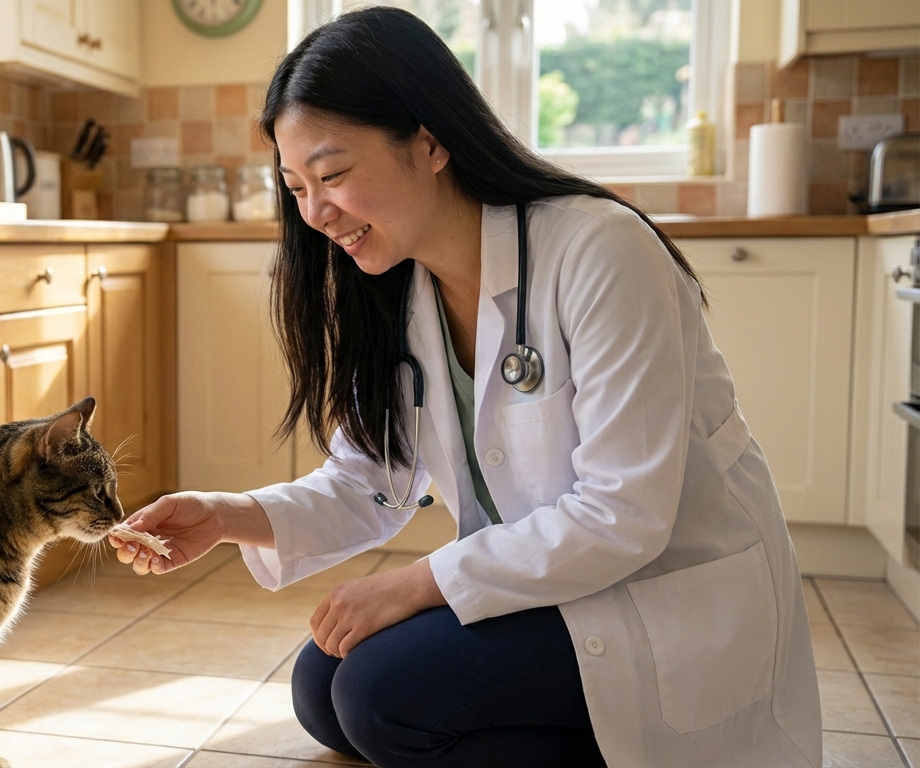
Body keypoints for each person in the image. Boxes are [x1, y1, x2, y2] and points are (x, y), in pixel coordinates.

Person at [109, 7, 822, 767]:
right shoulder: (397, 285)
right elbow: (368, 483)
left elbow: (624, 514)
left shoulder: (600, 251)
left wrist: (420, 583)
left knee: (376, 692)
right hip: (563, 584)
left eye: (334, 175)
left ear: (430, 140)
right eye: (295, 187)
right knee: (325, 685)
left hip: (668, 597)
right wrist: (226, 517)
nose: (315, 213)